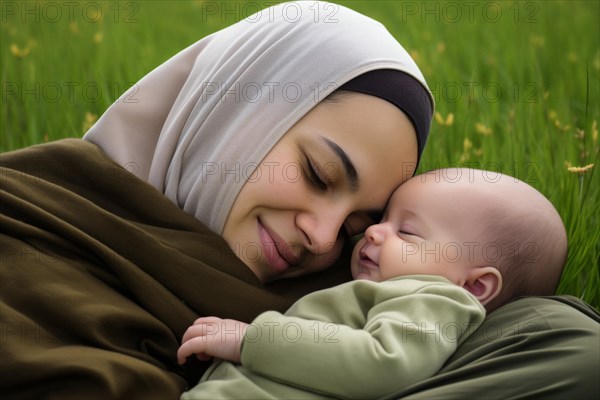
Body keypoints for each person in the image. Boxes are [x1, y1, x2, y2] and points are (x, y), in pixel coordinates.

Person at [1, 2, 597, 399]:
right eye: (317, 172)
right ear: (233, 112)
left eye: (361, 223)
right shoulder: (29, 225)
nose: (325, 237)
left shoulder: (361, 286)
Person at [176, 168, 568, 399]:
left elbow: (385, 363)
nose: (375, 233)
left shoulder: (437, 301)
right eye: (382, 219)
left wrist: (249, 342)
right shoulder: (397, 290)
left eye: (408, 231)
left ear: (476, 286)